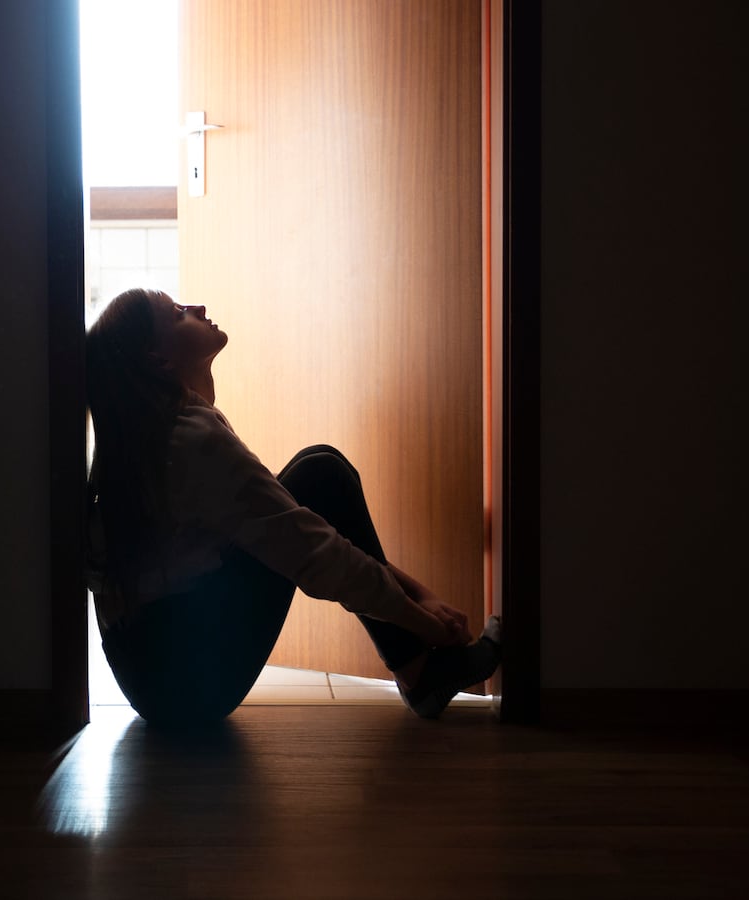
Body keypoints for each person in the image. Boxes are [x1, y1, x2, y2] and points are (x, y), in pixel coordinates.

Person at [84, 287, 502, 729]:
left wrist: (420, 596)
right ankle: (421, 673)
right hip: (185, 687)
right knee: (320, 477)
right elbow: (313, 552)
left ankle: (419, 673)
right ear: (160, 361)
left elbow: (291, 525)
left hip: (155, 679)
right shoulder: (187, 442)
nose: (198, 308)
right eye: (177, 313)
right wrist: (425, 624)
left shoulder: (158, 439)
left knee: (315, 472)